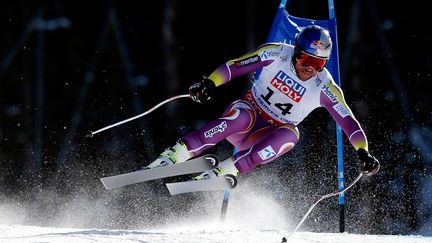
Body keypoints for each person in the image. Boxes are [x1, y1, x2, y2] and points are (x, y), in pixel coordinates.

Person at [146, 25, 380, 179]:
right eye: (306, 59)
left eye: (318, 64)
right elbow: (235, 66)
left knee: (292, 135)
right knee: (242, 117)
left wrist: (363, 152)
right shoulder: (277, 53)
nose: (309, 68)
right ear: (296, 51)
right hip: (248, 116)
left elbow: (349, 122)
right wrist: (209, 83)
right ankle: (175, 154)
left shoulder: (325, 87)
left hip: (267, 135)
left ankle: (228, 170)